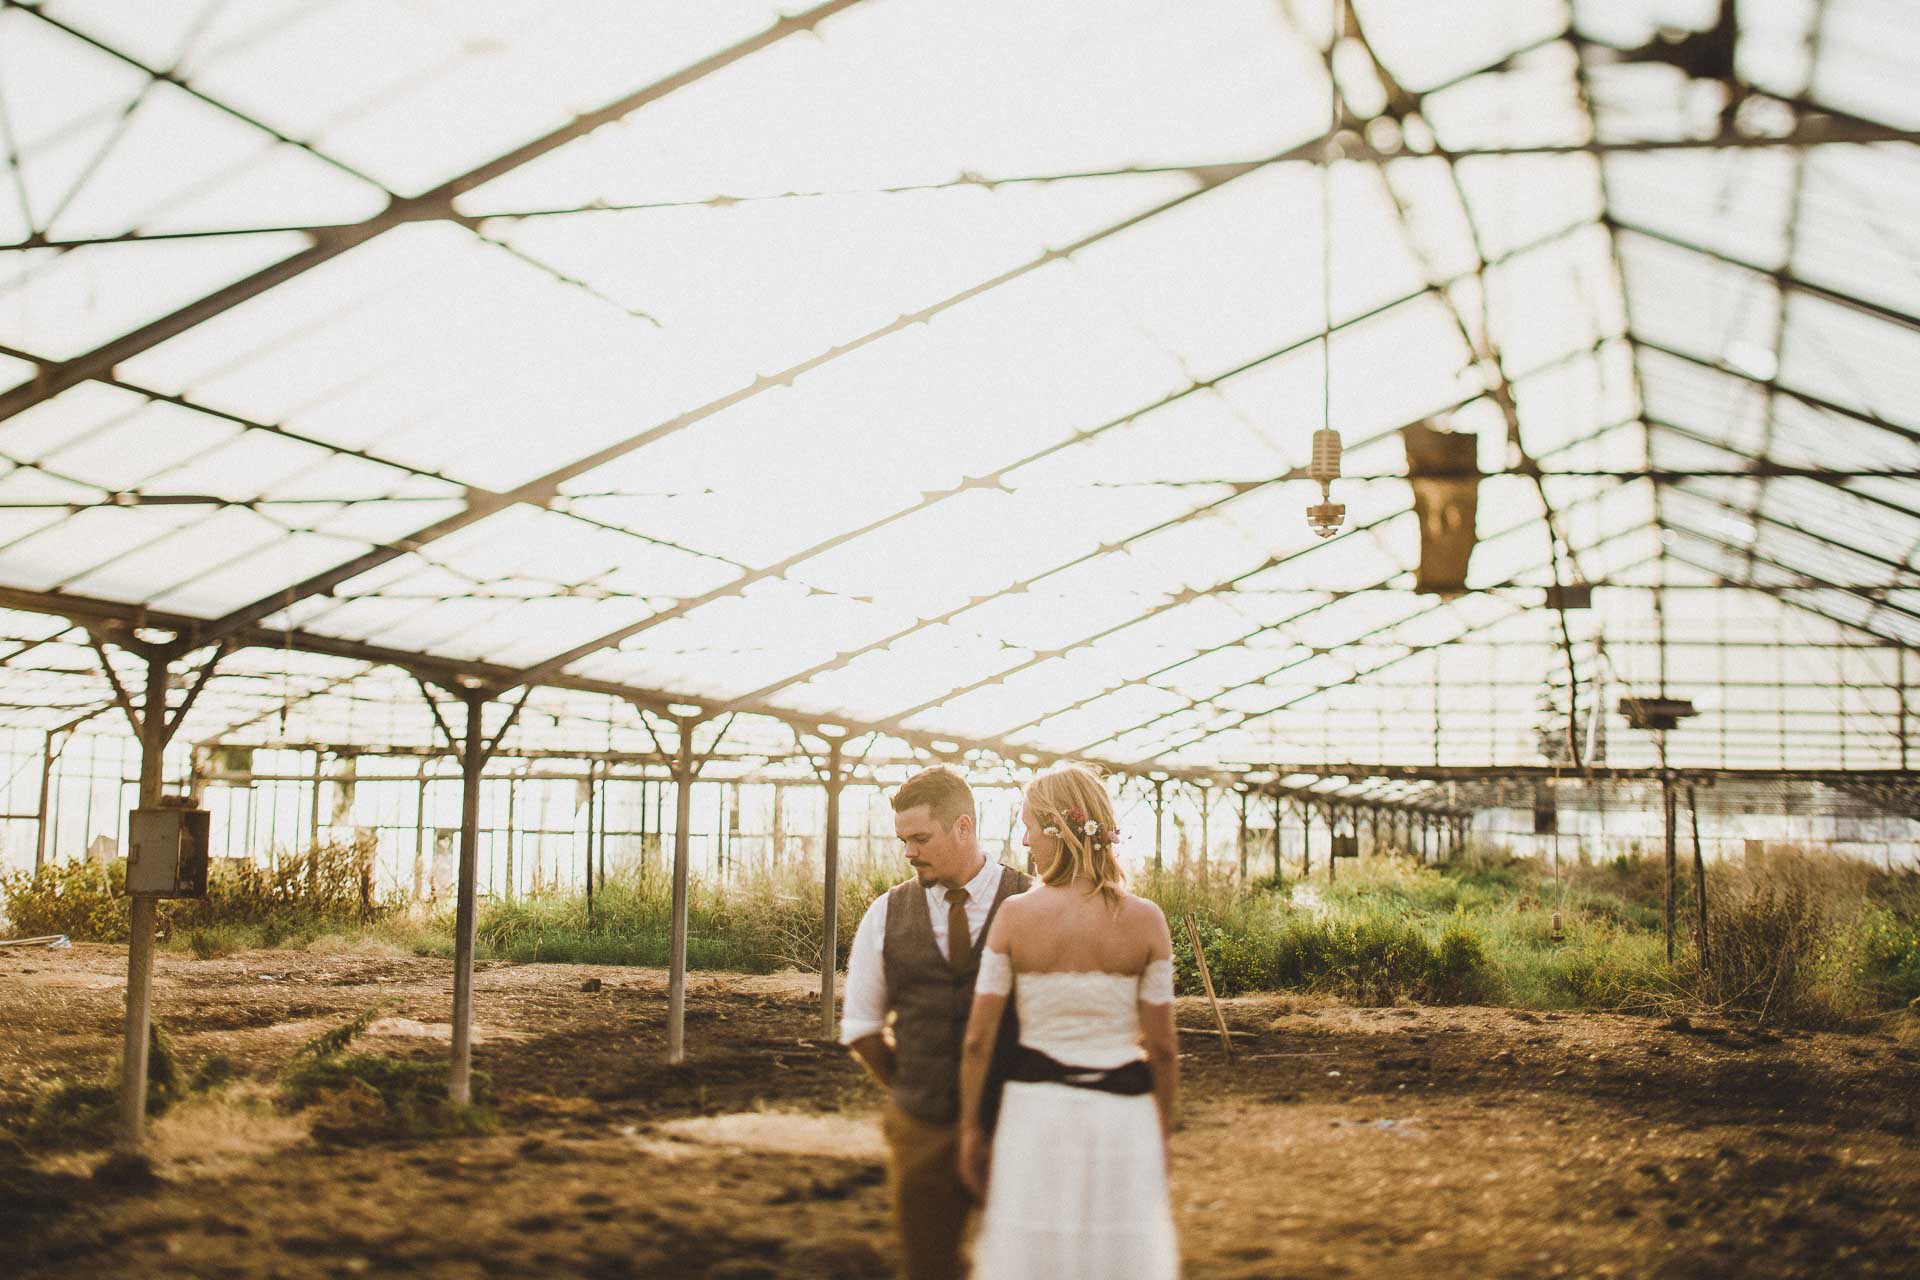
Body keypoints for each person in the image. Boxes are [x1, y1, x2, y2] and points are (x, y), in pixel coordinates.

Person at [957, 763, 1180, 1280]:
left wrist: (972, 1129)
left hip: (1037, 1112)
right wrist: (1162, 1131)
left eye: (1028, 824)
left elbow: (977, 1041)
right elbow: (1164, 1047)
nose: (1024, 837)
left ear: (1057, 829)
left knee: (1034, 1247)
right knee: (1118, 1249)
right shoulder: (1147, 920)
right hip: (1123, 1117)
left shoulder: (1013, 916)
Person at [842, 765, 1033, 1280]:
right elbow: (861, 1026)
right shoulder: (885, 913)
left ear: (964, 827)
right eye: (903, 840)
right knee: (928, 1267)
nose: (909, 852)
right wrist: (916, 1090)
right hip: (921, 1129)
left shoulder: (1032, 902)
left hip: (1019, 1128)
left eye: (921, 838)